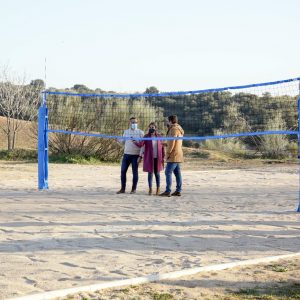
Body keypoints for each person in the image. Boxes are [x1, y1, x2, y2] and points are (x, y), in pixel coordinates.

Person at [117, 117, 144, 194]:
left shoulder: (140, 132)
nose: (134, 124)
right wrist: (117, 140)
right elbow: (122, 142)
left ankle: (133, 189)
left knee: (135, 172)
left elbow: (143, 145)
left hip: (135, 155)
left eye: (135, 122)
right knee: (123, 171)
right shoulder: (126, 132)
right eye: (132, 122)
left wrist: (140, 156)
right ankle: (122, 189)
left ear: (137, 123)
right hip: (126, 154)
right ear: (130, 123)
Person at [136, 122, 164, 195]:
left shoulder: (159, 136)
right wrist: (134, 141)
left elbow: (162, 147)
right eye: (150, 127)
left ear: (155, 128)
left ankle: (158, 188)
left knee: (157, 174)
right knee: (150, 173)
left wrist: (163, 157)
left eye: (153, 127)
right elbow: (141, 145)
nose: (151, 128)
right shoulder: (146, 136)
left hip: (158, 158)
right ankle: (150, 188)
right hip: (149, 157)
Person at [160, 115, 184, 197]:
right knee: (177, 173)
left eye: (167, 120)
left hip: (173, 154)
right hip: (178, 153)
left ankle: (168, 191)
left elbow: (172, 143)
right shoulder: (179, 128)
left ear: (170, 121)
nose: (166, 122)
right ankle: (178, 190)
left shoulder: (173, 129)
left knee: (168, 172)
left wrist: (168, 154)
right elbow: (174, 142)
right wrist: (166, 144)